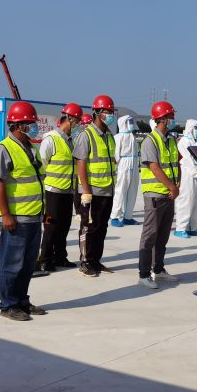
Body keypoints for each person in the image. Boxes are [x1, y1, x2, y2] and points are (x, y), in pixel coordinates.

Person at [0, 101, 47, 321]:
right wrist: (5, 215)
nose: (34, 127)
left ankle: (22, 300)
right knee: (12, 264)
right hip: (16, 218)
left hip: (34, 216)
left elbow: (38, 180)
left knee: (28, 264)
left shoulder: (31, 148)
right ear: (17, 125)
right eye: (30, 123)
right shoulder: (3, 149)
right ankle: (8, 305)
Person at [138, 101, 181, 289]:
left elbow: (176, 163)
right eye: (171, 116)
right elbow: (155, 168)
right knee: (150, 236)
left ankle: (159, 269)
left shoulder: (171, 140)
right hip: (155, 195)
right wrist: (172, 187)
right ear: (162, 118)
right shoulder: (150, 141)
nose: (173, 119)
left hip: (169, 194)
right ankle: (144, 274)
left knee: (162, 236)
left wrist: (177, 184)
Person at [73, 94, 117, 277]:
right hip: (92, 191)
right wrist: (86, 191)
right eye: (107, 111)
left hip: (107, 189)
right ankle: (85, 262)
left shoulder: (109, 136)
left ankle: (95, 261)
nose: (111, 115)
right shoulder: (86, 135)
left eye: (112, 112)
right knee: (88, 228)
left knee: (101, 227)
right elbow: (81, 163)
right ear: (98, 113)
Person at [37, 103, 82, 272]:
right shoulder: (51, 139)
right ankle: (45, 259)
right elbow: (42, 164)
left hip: (68, 190)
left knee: (64, 226)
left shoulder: (70, 141)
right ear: (69, 119)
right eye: (77, 121)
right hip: (53, 192)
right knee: (51, 227)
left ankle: (60, 257)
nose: (78, 124)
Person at [174, 119, 197, 238]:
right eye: (196, 128)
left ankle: (192, 227)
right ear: (190, 129)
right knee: (186, 200)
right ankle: (180, 228)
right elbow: (187, 160)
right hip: (187, 174)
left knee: (196, 201)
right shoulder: (184, 142)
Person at [110, 115, 140, 227]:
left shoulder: (133, 137)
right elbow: (116, 155)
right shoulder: (118, 137)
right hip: (123, 164)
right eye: (129, 122)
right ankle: (115, 217)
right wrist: (119, 166)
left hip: (134, 164)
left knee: (133, 191)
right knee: (120, 190)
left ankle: (128, 217)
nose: (131, 124)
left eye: (132, 121)